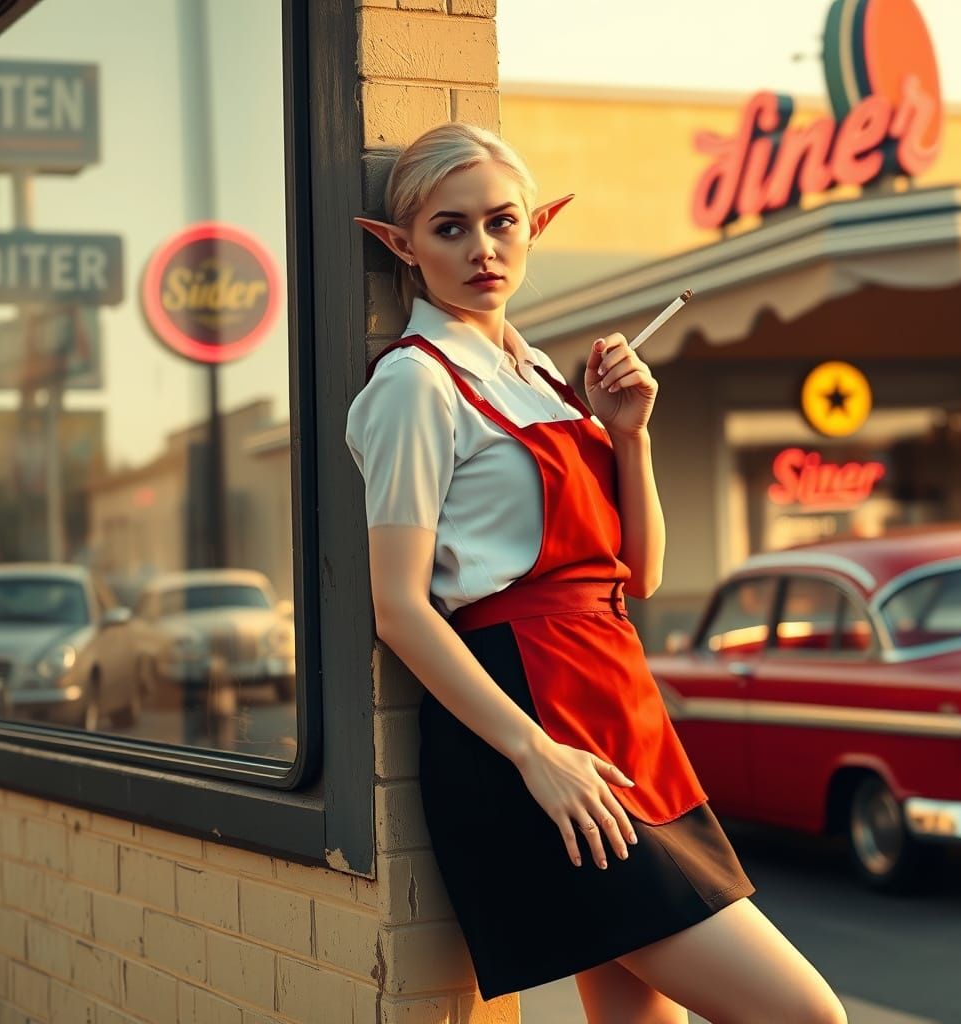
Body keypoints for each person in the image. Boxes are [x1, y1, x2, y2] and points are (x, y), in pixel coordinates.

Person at [345, 122, 847, 1024]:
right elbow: (397, 607)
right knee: (806, 1015)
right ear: (401, 246)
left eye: (502, 222)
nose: (483, 248)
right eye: (449, 228)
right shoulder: (414, 386)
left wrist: (629, 433)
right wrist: (535, 754)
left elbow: (640, 576)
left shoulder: (537, 374)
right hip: (535, 725)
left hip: (617, 704)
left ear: (537, 225)